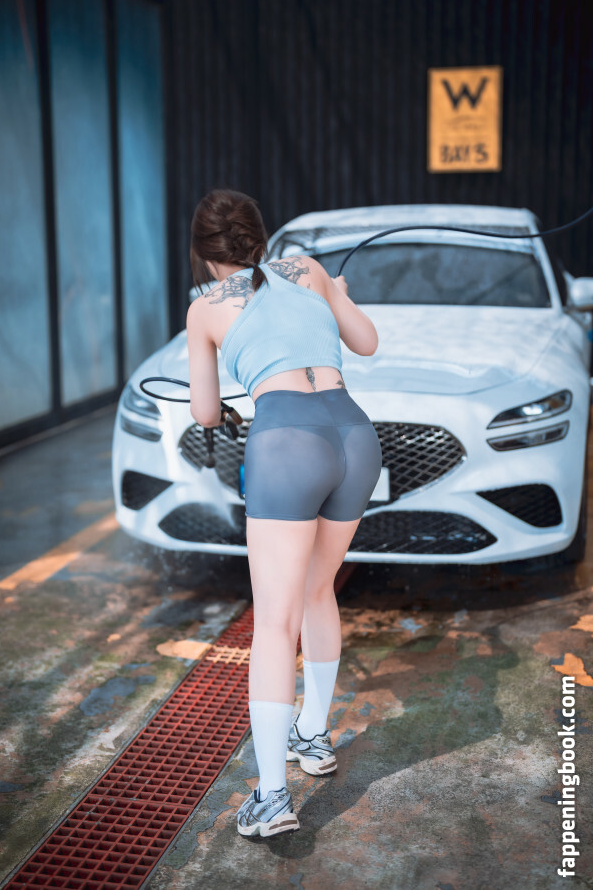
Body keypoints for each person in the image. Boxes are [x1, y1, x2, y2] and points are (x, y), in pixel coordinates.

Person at [187, 188, 382, 838]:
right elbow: (366, 342)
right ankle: (313, 736)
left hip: (287, 442)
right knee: (319, 590)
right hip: (354, 435)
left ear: (205, 254)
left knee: (274, 622)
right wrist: (338, 294)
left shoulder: (205, 306)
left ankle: (272, 797)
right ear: (261, 236)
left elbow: (206, 413)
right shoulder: (308, 269)